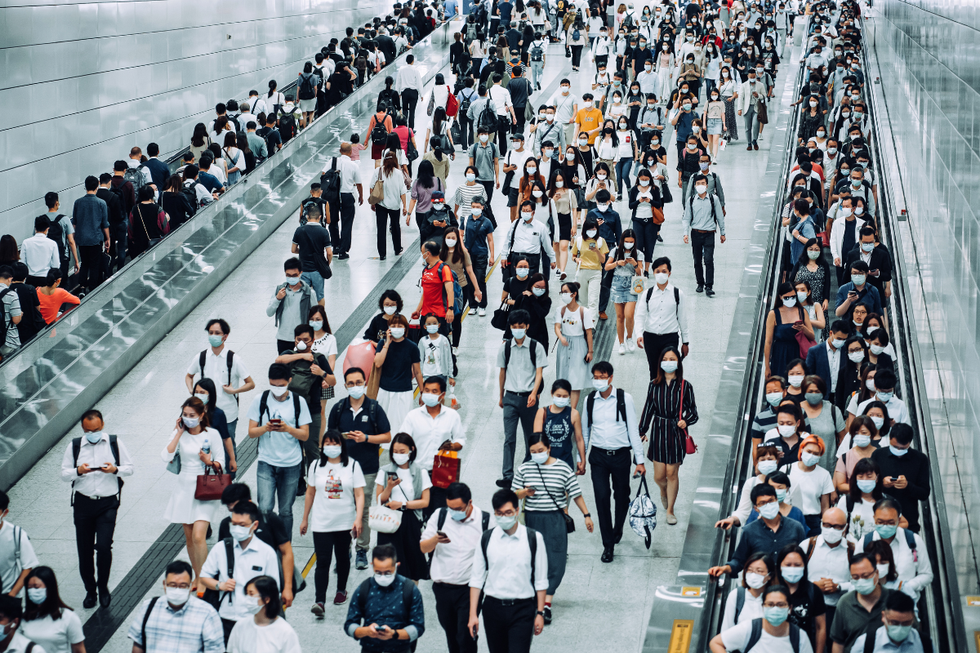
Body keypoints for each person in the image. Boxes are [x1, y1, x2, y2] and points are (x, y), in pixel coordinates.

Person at [513, 435, 593, 623]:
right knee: (532, 559)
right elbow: (511, 494)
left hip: (555, 519)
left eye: (540, 450)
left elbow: (575, 492)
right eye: (533, 452)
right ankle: (536, 599)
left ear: (549, 448)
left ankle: (546, 604)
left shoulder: (563, 468)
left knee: (556, 560)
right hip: (532, 519)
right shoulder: (525, 468)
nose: (537, 454)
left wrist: (586, 515)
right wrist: (524, 492)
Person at [59, 409, 133, 609]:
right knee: (84, 550)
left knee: (103, 547)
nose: (93, 433)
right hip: (83, 503)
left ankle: (103, 587)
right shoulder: (74, 446)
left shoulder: (114, 443)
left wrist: (115, 469)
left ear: (102, 426)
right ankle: (90, 590)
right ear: (83, 428)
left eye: (97, 429)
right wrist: (78, 471)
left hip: (107, 503)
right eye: (89, 430)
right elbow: (64, 474)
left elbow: (130, 467)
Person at [327, 367, 392, 570]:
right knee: (343, 510)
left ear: (364, 382)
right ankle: (344, 549)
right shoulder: (338, 409)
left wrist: (366, 438)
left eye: (358, 382)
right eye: (351, 383)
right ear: (345, 385)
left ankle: (362, 549)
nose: (355, 386)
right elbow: (329, 439)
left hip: (367, 468)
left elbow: (387, 436)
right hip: (342, 469)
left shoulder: (374, 409)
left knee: (362, 510)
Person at [468, 489, 548, 651]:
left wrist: (540, 613)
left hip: (522, 609)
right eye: (499, 513)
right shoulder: (487, 538)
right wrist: (472, 614)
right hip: (493, 608)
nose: (504, 517)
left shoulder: (533, 538)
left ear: (517, 511)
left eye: (508, 512)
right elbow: (477, 578)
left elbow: (541, 579)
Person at [420, 483, 495, 653]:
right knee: (452, 634)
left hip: (469, 589)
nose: (454, 511)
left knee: (466, 635)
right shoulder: (440, 515)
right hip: (442, 588)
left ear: (470, 502)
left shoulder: (484, 520)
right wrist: (435, 540)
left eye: (459, 508)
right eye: (450, 507)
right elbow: (423, 547)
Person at [583, 361, 646, 562]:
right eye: (596, 377)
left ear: (610, 377)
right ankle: (608, 545)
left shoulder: (623, 399)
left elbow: (633, 431)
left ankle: (618, 527)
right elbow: (585, 432)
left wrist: (640, 460)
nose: (598, 380)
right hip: (598, 456)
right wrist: (581, 458)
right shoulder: (589, 400)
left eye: (602, 377)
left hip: (620, 456)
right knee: (602, 497)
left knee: (621, 496)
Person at [300, 429, 365, 612]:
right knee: (322, 561)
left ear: (342, 446)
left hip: (345, 521)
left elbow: (359, 494)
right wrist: (305, 518)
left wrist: (358, 518)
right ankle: (319, 601)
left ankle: (341, 590)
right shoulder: (315, 466)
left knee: (343, 557)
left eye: (335, 443)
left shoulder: (352, 466)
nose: (331, 446)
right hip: (322, 522)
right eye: (327, 443)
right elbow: (310, 492)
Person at [199, 501, 281, 644]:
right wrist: (220, 585)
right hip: (225, 619)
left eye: (242, 525)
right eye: (234, 524)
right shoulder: (221, 548)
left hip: (254, 621)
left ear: (254, 525)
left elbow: (274, 591)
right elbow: (205, 576)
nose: (237, 528)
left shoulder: (267, 553)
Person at [162, 397, 222, 588]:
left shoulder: (212, 434)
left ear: (201, 415)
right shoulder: (179, 434)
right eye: (185, 415)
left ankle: (204, 578)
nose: (188, 419)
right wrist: (178, 433)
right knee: (189, 538)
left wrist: (209, 462)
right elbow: (166, 455)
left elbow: (221, 462)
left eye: (192, 415)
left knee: (198, 536)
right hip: (184, 488)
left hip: (204, 487)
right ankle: (197, 576)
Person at [247, 363, 312, 536]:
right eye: (273, 385)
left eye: (281, 385)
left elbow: (305, 435)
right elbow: (252, 432)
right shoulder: (260, 400)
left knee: (285, 511)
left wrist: (288, 429)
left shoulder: (299, 402)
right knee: (265, 508)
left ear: (289, 380)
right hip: (266, 462)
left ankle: (284, 551)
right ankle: (265, 545)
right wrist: (265, 428)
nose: (277, 389)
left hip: (291, 464)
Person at [185, 318, 255, 470]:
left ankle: (228, 480)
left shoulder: (234, 359)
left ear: (225, 336)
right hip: (204, 413)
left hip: (228, 413)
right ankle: (208, 481)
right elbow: (188, 376)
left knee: (227, 445)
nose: (213, 336)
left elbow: (251, 383)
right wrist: (192, 391)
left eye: (217, 333)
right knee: (203, 446)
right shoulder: (201, 357)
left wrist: (234, 390)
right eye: (211, 332)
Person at [639, 346, 698, 525]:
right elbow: (648, 408)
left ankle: (670, 509)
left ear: (678, 362)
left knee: (672, 472)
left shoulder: (685, 386)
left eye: (673, 359)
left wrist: (685, 421)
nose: (669, 362)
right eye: (666, 358)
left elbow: (694, 412)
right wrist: (642, 430)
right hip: (658, 430)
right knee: (659, 476)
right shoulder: (654, 384)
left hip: (675, 431)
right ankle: (663, 490)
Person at [217, 484, 296, 609]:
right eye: (230, 510)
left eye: (237, 508)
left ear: (249, 502)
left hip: (267, 592)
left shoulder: (270, 520)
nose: (234, 515)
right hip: (237, 594)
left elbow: (286, 552)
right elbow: (221, 559)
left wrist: (287, 587)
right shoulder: (225, 525)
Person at [708, 485, 807, 579]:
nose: (768, 505)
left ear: (777, 500)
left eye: (771, 501)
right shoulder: (749, 531)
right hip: (761, 584)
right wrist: (724, 568)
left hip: (790, 584)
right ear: (756, 508)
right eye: (763, 503)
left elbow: (805, 557)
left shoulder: (795, 527)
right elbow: (739, 560)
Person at [398, 376, 465, 514]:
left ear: (442, 395)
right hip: (417, 472)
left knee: (439, 512)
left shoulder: (452, 416)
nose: (429, 394)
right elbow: (401, 441)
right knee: (415, 512)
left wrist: (452, 446)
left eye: (434, 391)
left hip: (442, 473)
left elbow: (461, 440)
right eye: (426, 391)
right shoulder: (412, 416)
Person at [497, 309, 548, 487]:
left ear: (527, 326)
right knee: (509, 438)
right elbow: (502, 372)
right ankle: (507, 476)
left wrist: (534, 393)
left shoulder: (536, 347)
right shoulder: (505, 347)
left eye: (520, 326)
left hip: (529, 399)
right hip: (510, 397)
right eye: (514, 326)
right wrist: (500, 395)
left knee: (530, 438)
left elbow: (539, 373)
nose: (517, 329)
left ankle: (529, 471)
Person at [344, 544, 425, 652]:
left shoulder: (409, 590)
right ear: (372, 565)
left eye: (387, 573)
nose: (382, 577)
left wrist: (394, 634)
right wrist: (366, 631)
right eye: (378, 572)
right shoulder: (364, 589)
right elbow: (350, 625)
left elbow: (418, 627)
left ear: (396, 566)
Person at [128, 560, 223, 652]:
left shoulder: (207, 614)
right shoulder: (148, 607)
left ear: (190, 586)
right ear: (164, 584)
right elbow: (138, 645)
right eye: (173, 585)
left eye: (183, 586)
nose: (177, 590)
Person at [275, 324, 334, 464]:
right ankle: (299, 483)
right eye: (298, 339)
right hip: (290, 410)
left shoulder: (319, 358)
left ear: (313, 340)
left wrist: (321, 373)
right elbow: (278, 361)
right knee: (293, 449)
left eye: (306, 340)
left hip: (312, 410)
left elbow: (333, 381)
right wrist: (302, 356)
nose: (302, 343)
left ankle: (314, 481)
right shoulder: (289, 355)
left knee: (311, 449)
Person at [853, 499, 933, 603]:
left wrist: (905, 587)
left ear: (899, 520)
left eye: (891, 522)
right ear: (874, 519)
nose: (885, 526)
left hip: (904, 606)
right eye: (880, 522)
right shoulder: (865, 542)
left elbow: (926, 574)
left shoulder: (913, 540)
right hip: (872, 605)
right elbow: (855, 574)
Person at [376, 433, 431, 582]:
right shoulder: (384, 470)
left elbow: (425, 501)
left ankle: (410, 600)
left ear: (411, 450)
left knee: (413, 565)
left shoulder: (421, 472)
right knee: (389, 565)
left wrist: (402, 504)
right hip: (389, 520)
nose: (398, 455)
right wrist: (389, 488)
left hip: (410, 520)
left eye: (402, 452)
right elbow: (379, 499)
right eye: (395, 451)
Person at [709, 585, 815, 653]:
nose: (775, 608)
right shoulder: (750, 629)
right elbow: (716, 643)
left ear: (789, 608)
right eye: (770, 604)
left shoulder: (799, 637)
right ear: (763, 607)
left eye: (781, 604)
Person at [828, 553, 895, 653]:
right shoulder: (845, 603)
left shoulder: (894, 599)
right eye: (855, 577)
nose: (861, 581)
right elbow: (838, 642)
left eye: (865, 576)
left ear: (876, 573)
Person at [635, 257, 691, 378]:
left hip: (670, 337)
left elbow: (682, 318)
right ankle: (654, 396)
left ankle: (669, 395)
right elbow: (640, 316)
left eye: (664, 271)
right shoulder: (647, 293)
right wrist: (639, 334)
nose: (661, 274)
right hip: (650, 338)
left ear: (669, 273)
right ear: (654, 273)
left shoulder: (677, 294)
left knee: (669, 371)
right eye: (658, 271)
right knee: (654, 371)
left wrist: (685, 342)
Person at [870, 424, 930, 533]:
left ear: (909, 443)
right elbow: (867, 486)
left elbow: (924, 493)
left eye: (902, 448)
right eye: (894, 446)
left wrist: (908, 486)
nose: (898, 450)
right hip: (880, 519)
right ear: (889, 439)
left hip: (908, 521)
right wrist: (881, 483)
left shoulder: (920, 459)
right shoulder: (878, 455)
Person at [374, 313, 424, 436]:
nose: (396, 328)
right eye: (393, 325)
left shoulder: (412, 347)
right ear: (388, 328)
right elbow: (378, 363)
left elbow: (417, 372)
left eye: (399, 325)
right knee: (382, 425)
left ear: (405, 328)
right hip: (385, 390)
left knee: (403, 425)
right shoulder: (382, 344)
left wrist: (422, 392)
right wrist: (387, 344)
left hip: (404, 391)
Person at [226, 576, 301, 653]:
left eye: (251, 594)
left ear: (266, 599)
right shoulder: (240, 626)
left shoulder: (285, 632)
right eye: (246, 594)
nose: (247, 599)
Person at [775, 544, 827, 652]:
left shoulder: (813, 591)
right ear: (780, 566)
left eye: (797, 565)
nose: (792, 569)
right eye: (788, 565)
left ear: (804, 567)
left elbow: (820, 627)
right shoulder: (772, 590)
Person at [19, 567, 82, 653]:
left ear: (49, 588)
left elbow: (79, 650)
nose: (32, 591)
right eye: (29, 588)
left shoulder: (68, 617)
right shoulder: (24, 617)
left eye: (36, 587)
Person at [554, 282, 595, 407]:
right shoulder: (560, 310)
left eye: (565, 291)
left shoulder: (584, 312)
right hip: (564, 345)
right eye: (562, 292)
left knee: (576, 379)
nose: (563, 294)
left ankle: (572, 409)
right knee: (563, 376)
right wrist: (561, 337)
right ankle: (564, 405)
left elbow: (589, 333)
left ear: (574, 294)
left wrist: (590, 351)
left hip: (579, 345)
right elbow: (557, 327)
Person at [764, 282, 816, 379]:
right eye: (786, 297)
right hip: (780, 353)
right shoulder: (773, 314)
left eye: (793, 297)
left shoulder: (802, 311)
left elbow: (812, 336)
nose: (790, 300)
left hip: (798, 351)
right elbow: (768, 341)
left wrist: (803, 329)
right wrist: (767, 366)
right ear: (780, 297)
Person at [533, 380, 586, 473]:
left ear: (569, 395)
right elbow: (536, 439)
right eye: (558, 395)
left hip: (565, 462)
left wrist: (582, 459)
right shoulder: (543, 412)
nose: (561, 398)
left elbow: (579, 439)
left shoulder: (573, 414)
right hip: (545, 462)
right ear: (552, 393)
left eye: (565, 396)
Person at [266, 258, 317, 354]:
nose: (291, 278)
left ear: (300, 273)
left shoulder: (309, 293)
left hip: (303, 339)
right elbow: (269, 313)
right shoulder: (279, 290)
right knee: (284, 367)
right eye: (288, 275)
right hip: (283, 337)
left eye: (294, 275)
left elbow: (316, 316)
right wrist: (277, 299)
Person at [70, 177, 110, 293]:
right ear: (97, 186)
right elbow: (105, 224)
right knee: (94, 264)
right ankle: (92, 288)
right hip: (95, 239)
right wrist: (108, 238)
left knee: (84, 263)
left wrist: (74, 239)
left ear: (85, 186)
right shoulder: (101, 203)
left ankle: (82, 287)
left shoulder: (78, 202)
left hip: (82, 239)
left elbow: (75, 223)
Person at [850, 591, 923, 653]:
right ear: (883, 616)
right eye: (894, 622)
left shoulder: (924, 643)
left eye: (905, 623)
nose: (899, 628)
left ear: (913, 618)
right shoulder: (865, 644)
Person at [719, 552, 773, 632]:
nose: (753, 575)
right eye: (750, 570)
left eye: (760, 571)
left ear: (769, 575)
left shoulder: (776, 597)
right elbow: (726, 629)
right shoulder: (737, 595)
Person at [291, 203, 332, 303]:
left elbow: (293, 249)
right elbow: (329, 253)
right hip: (317, 270)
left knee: (303, 297)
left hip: (303, 269)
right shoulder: (323, 231)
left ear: (307, 216)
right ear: (320, 217)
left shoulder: (299, 230)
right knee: (320, 297)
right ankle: (320, 317)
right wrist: (327, 263)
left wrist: (303, 250)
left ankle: (304, 316)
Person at [336, 142, 365, 259]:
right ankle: (343, 250)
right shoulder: (354, 165)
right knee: (347, 223)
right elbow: (359, 183)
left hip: (334, 196)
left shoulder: (334, 162)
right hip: (347, 196)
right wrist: (361, 196)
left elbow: (323, 174)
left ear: (339, 151)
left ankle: (335, 246)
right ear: (350, 152)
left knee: (333, 222)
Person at [21, 216, 60, 288]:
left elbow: (22, 263)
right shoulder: (52, 243)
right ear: (47, 229)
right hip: (45, 279)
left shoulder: (25, 242)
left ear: (35, 228)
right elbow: (56, 265)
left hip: (30, 279)